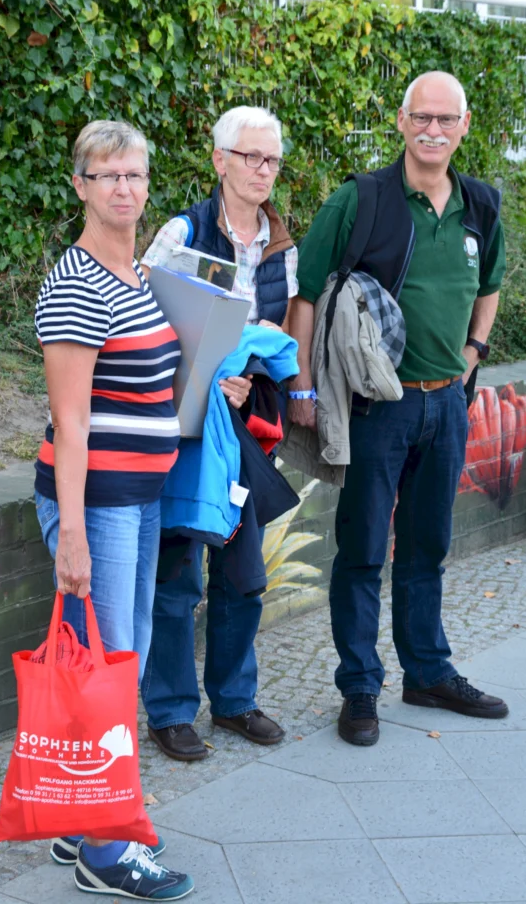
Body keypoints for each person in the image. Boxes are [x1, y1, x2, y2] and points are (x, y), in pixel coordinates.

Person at [288, 71, 509, 747]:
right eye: (422, 117)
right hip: (374, 409)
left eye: (445, 119)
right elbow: (305, 295)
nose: (432, 130)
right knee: (361, 550)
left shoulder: (479, 205)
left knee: (426, 546)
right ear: (401, 121)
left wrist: (472, 352)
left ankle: (427, 672)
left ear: (463, 127)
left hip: (447, 405)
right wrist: (301, 388)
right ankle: (359, 686)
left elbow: (490, 285)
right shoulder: (360, 200)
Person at [33, 120, 195, 899]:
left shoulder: (133, 275)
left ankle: (80, 821)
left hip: (137, 498)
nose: (124, 188)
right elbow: (70, 422)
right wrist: (71, 534)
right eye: (107, 176)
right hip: (96, 506)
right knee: (105, 670)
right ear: (80, 187)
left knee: (117, 660)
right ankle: (105, 852)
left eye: (134, 174)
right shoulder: (76, 284)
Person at [140, 105, 299, 762]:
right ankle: (171, 711)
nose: (262, 170)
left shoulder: (284, 248)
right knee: (176, 573)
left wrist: (248, 376)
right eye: (250, 157)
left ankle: (234, 700)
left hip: (244, 430)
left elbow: (279, 337)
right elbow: (143, 314)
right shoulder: (183, 233)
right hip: (183, 429)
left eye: (271, 160)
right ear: (219, 161)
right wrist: (204, 375)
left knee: (242, 572)